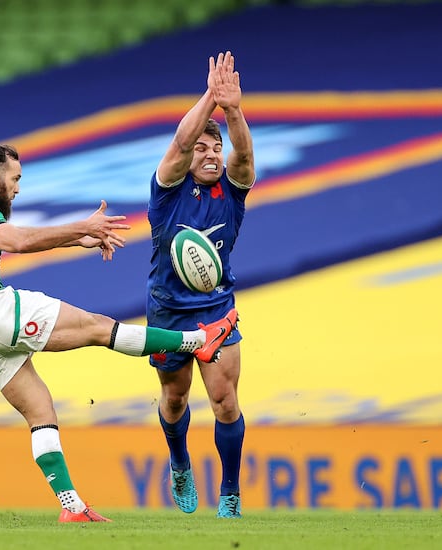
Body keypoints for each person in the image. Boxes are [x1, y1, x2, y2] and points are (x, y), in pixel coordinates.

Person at [0, 141, 238, 523]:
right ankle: (198, 341)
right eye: (15, 179)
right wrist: (83, 227)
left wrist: (78, 239)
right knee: (98, 328)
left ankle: (72, 507)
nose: (18, 189)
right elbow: (19, 241)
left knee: (40, 410)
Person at [146, 51, 254, 519]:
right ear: (189, 159)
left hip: (216, 308)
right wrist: (210, 96)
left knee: (225, 401)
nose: (212, 155)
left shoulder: (233, 190)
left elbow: (245, 155)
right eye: (203, 150)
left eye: (217, 150)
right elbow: (179, 141)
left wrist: (232, 110)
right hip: (168, 310)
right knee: (174, 397)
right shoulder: (168, 192)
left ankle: (229, 491)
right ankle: (180, 461)